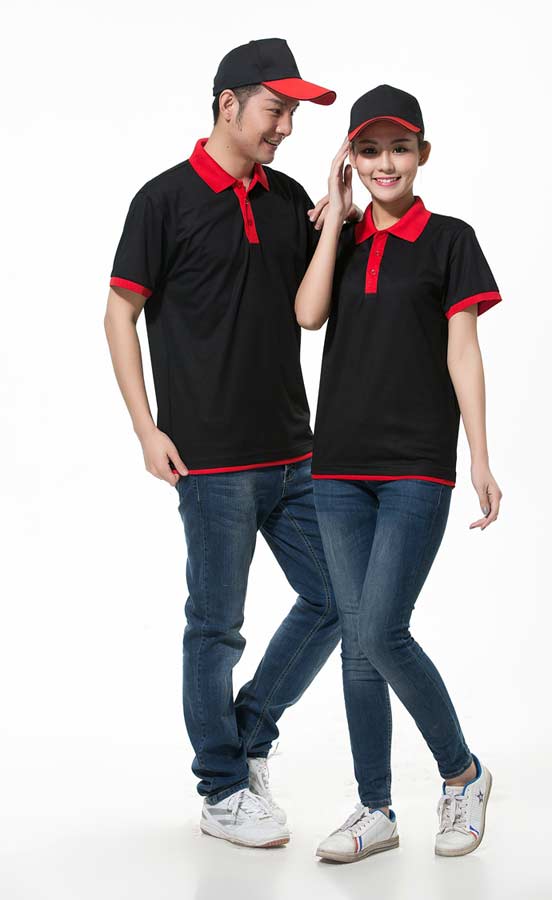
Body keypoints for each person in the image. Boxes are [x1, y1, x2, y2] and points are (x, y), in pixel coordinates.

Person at [103, 37, 357, 850]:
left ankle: (245, 738)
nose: (286, 127)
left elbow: (312, 308)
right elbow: (119, 313)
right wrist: (146, 429)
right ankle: (221, 791)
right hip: (210, 464)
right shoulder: (163, 201)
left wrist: (336, 219)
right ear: (228, 104)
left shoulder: (287, 201)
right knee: (216, 628)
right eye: (276, 109)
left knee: (341, 599)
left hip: (295, 452)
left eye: (292, 114)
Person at [295, 84, 503, 863]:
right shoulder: (339, 236)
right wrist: (333, 215)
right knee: (357, 642)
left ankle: (462, 774)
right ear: (351, 157)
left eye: (400, 149)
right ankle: (375, 808)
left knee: (382, 629)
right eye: (370, 150)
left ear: (423, 155)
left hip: (417, 464)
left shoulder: (450, 240)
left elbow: (463, 351)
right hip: (336, 467)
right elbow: (308, 314)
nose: (386, 163)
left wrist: (479, 454)